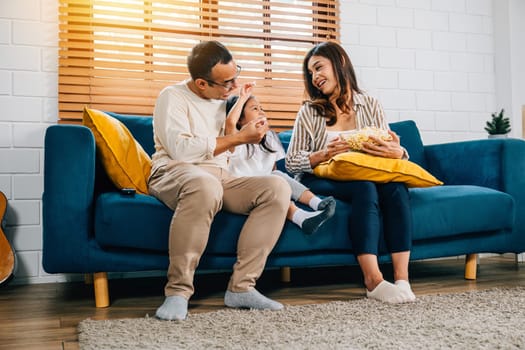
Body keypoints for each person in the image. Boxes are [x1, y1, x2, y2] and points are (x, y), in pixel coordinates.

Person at [149, 40, 291, 321]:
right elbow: (182, 150)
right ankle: (177, 292)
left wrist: (246, 130)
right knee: (204, 185)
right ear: (202, 83)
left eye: (235, 74)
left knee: (277, 187)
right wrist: (238, 137)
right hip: (174, 171)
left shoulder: (225, 101)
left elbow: (230, 146)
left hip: (219, 176)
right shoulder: (172, 97)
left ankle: (242, 287)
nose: (233, 85)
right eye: (227, 82)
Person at [285, 41, 416, 304]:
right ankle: (373, 280)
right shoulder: (309, 111)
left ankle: (402, 279)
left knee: (396, 188)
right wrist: (322, 154)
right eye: (311, 73)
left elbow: (392, 146)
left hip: (366, 171)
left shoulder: (370, 104)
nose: (315, 77)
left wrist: (398, 152)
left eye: (319, 67)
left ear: (340, 62)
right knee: (364, 187)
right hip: (324, 177)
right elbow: (290, 162)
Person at [225, 93, 336, 235]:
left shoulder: (270, 137)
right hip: (246, 191)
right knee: (275, 185)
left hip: (270, 187)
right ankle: (302, 217)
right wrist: (242, 98)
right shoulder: (234, 139)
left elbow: (279, 169)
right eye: (254, 109)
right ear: (240, 119)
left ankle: (317, 203)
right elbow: (230, 124)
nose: (261, 112)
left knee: (277, 177)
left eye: (262, 108)